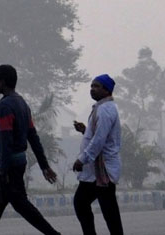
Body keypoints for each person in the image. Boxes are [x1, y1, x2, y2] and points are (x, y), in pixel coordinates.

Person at [0, 64, 62, 235]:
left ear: (3, 82)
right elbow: (33, 137)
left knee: (20, 205)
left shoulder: (5, 106)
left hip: (9, 167)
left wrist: (3, 170)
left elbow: (6, 140)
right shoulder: (22, 103)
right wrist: (44, 166)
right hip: (17, 163)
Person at [71, 74, 124, 235]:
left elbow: (100, 140)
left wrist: (82, 159)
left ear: (107, 90)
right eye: (91, 86)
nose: (92, 89)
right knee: (89, 205)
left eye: (96, 86)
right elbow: (98, 136)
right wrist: (85, 131)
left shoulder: (106, 111)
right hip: (96, 171)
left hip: (103, 171)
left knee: (103, 209)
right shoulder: (101, 108)